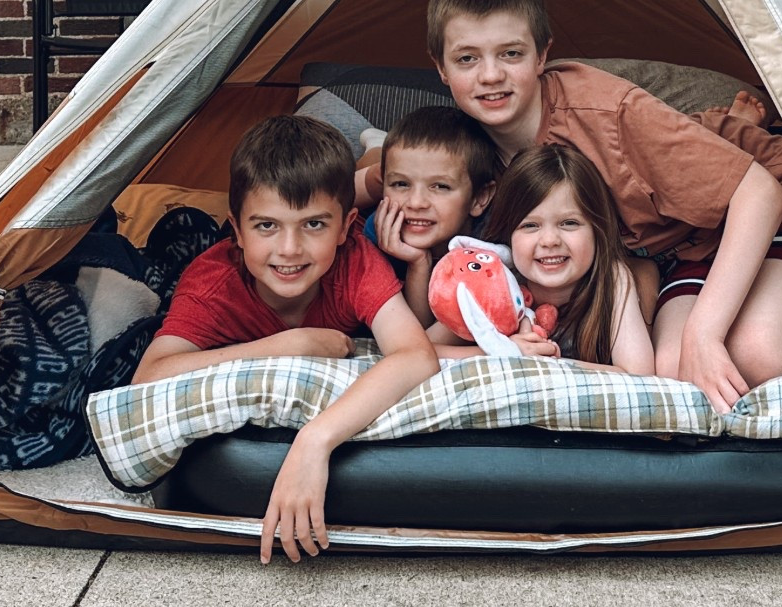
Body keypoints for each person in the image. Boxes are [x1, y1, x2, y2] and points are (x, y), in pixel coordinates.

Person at [417, 0, 782, 411]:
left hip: (774, 204)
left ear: (542, 55)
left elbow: (760, 195)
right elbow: (386, 165)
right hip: (684, 244)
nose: (490, 76)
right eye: (468, 58)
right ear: (441, 68)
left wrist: (705, 331)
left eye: (511, 54)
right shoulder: (468, 141)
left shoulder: (607, 114)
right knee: (678, 371)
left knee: (756, 356)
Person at [131, 114, 438, 563]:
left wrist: (315, 441)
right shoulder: (215, 281)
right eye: (266, 226)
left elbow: (415, 356)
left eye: (314, 225)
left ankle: (373, 154)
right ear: (236, 230)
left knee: (376, 173)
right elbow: (149, 376)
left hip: (367, 221)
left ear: (346, 226)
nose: (289, 249)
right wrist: (287, 345)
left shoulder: (355, 258)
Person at [443, 142, 653, 373]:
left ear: (597, 229)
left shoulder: (612, 279)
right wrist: (504, 350)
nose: (550, 240)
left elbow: (639, 373)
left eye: (569, 223)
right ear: (508, 234)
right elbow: (423, 350)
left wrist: (545, 363)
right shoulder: (489, 278)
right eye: (530, 225)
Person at [365, 104, 502, 329]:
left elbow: (424, 338)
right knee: (370, 166)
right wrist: (418, 263)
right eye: (400, 184)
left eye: (440, 186)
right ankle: (375, 148)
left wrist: (418, 262)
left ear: (479, 198)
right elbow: (407, 336)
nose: (416, 203)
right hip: (373, 181)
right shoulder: (377, 231)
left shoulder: (490, 249)